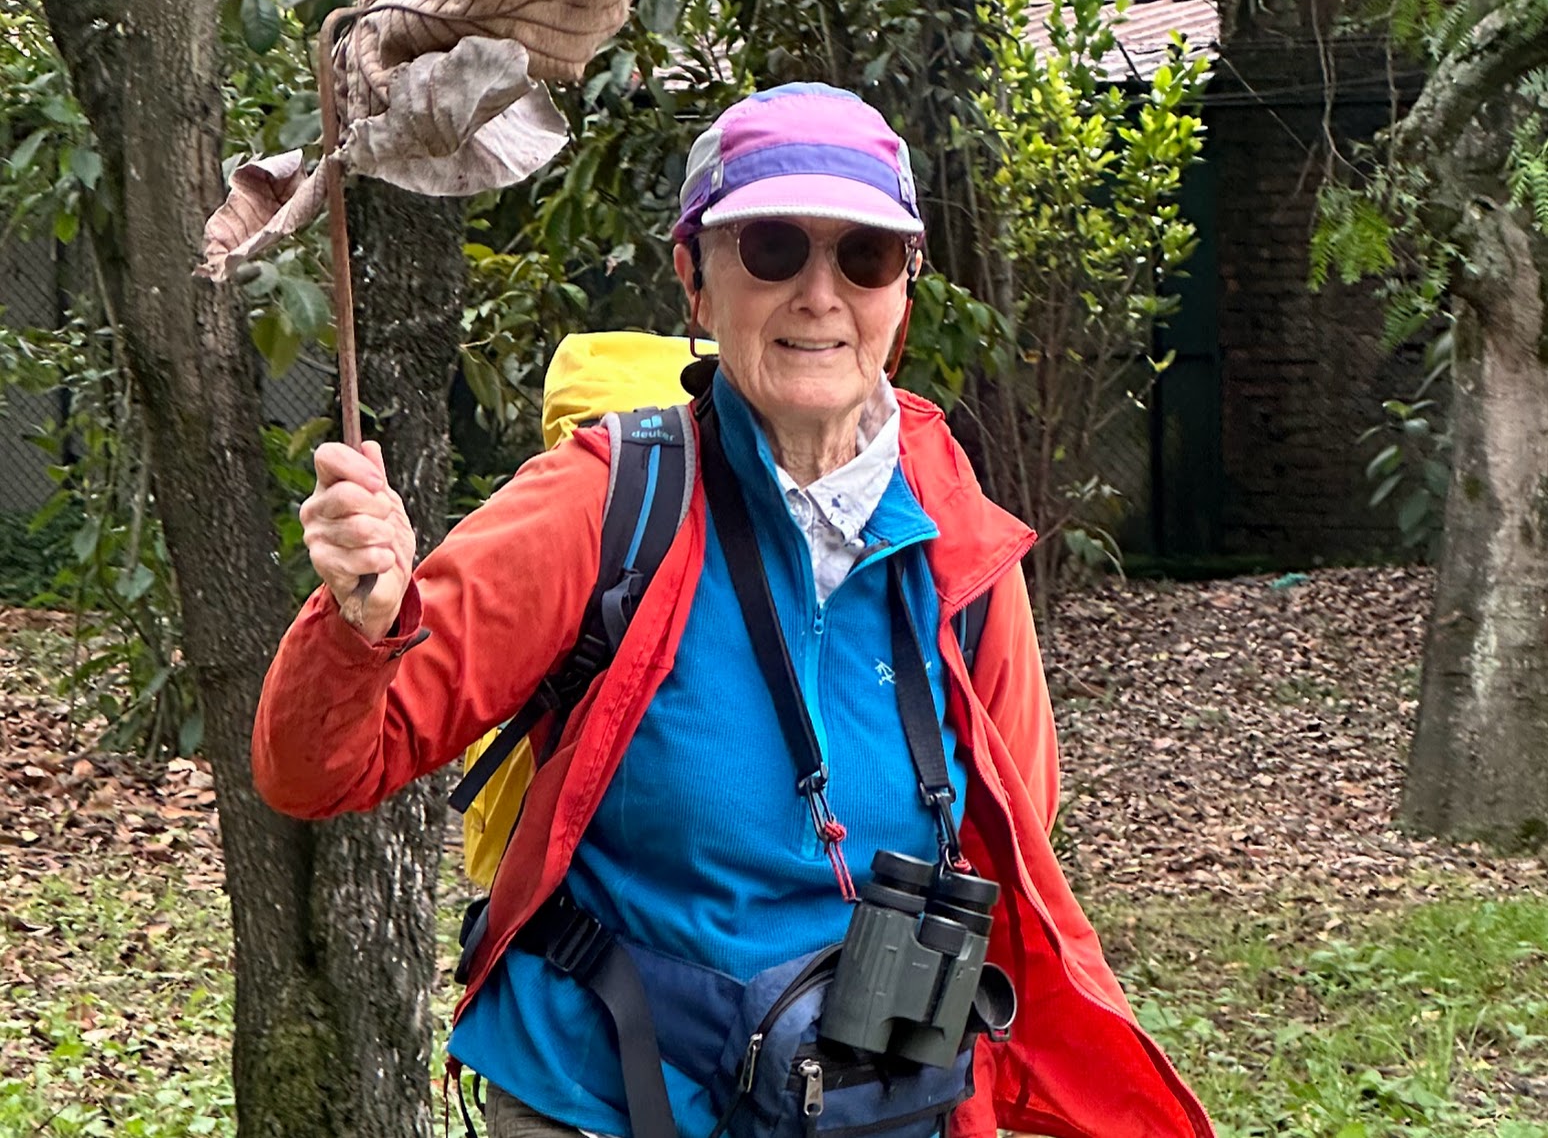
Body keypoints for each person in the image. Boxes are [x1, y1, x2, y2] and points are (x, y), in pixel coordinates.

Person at [252, 83, 1213, 1138]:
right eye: (770, 248)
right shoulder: (604, 504)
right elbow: (319, 771)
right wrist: (358, 624)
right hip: (607, 1095)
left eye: (864, 257)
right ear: (696, 281)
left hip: (864, 1104)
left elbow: (1014, 822)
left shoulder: (962, 547)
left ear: (904, 294)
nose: (818, 292)